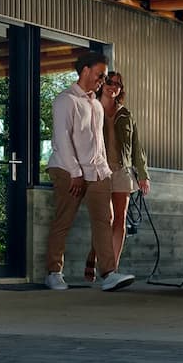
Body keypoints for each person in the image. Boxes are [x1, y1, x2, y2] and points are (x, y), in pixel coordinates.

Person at [44, 52, 135, 292]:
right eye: (100, 75)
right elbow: (63, 139)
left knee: (104, 221)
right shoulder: (66, 100)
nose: (102, 80)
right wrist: (75, 172)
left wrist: (104, 170)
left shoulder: (95, 105)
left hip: (96, 172)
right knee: (63, 221)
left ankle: (109, 273)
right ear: (85, 70)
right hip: (68, 169)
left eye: (104, 76)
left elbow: (98, 142)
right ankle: (54, 272)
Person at [84, 71, 151, 282]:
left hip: (122, 170)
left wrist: (143, 175)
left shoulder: (126, 115)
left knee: (120, 220)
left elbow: (137, 147)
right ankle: (93, 256)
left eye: (117, 84)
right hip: (99, 170)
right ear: (103, 85)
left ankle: (112, 269)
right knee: (106, 218)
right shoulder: (92, 109)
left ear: (121, 89)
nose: (113, 87)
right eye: (109, 82)